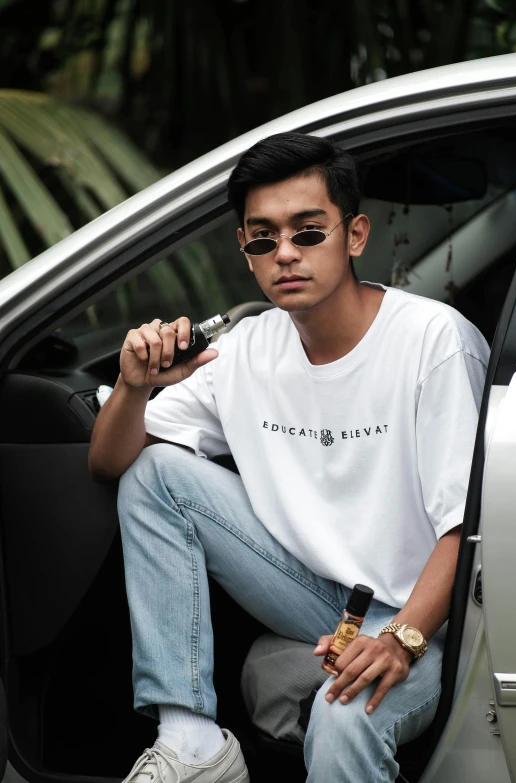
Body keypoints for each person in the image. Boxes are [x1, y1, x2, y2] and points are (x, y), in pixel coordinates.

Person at [89, 131, 490, 783]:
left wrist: (399, 639)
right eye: (262, 238)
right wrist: (134, 384)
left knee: (344, 711)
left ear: (355, 235)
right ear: (245, 252)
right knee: (155, 474)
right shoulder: (247, 350)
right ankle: (191, 742)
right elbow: (111, 464)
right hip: (321, 598)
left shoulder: (433, 341)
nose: (285, 254)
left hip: (436, 616)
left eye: (308, 233)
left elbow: (462, 527)